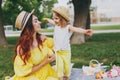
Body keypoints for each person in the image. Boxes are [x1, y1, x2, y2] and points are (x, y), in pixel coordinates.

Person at [43, 6, 93, 80]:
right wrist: (47, 19)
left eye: (56, 18)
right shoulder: (56, 25)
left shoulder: (67, 27)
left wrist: (85, 31)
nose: (54, 20)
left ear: (62, 18)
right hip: (58, 51)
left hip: (66, 51)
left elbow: (76, 29)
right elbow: (51, 21)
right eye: (54, 18)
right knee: (59, 66)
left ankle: (67, 76)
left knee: (66, 66)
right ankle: (60, 77)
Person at [7, 9, 59, 80]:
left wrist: (57, 25)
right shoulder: (22, 48)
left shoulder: (42, 39)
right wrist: (45, 62)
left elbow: (58, 45)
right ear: (29, 26)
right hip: (31, 77)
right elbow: (25, 72)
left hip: (46, 72)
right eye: (36, 21)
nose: (39, 22)